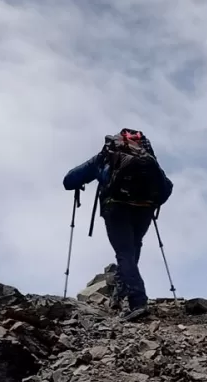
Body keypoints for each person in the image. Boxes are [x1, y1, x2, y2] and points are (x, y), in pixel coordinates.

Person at [63, 128, 173, 321]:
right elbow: (167, 187)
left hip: (116, 207)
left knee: (124, 253)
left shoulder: (107, 155)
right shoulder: (147, 157)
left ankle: (137, 301)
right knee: (133, 247)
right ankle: (122, 292)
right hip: (144, 208)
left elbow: (70, 180)